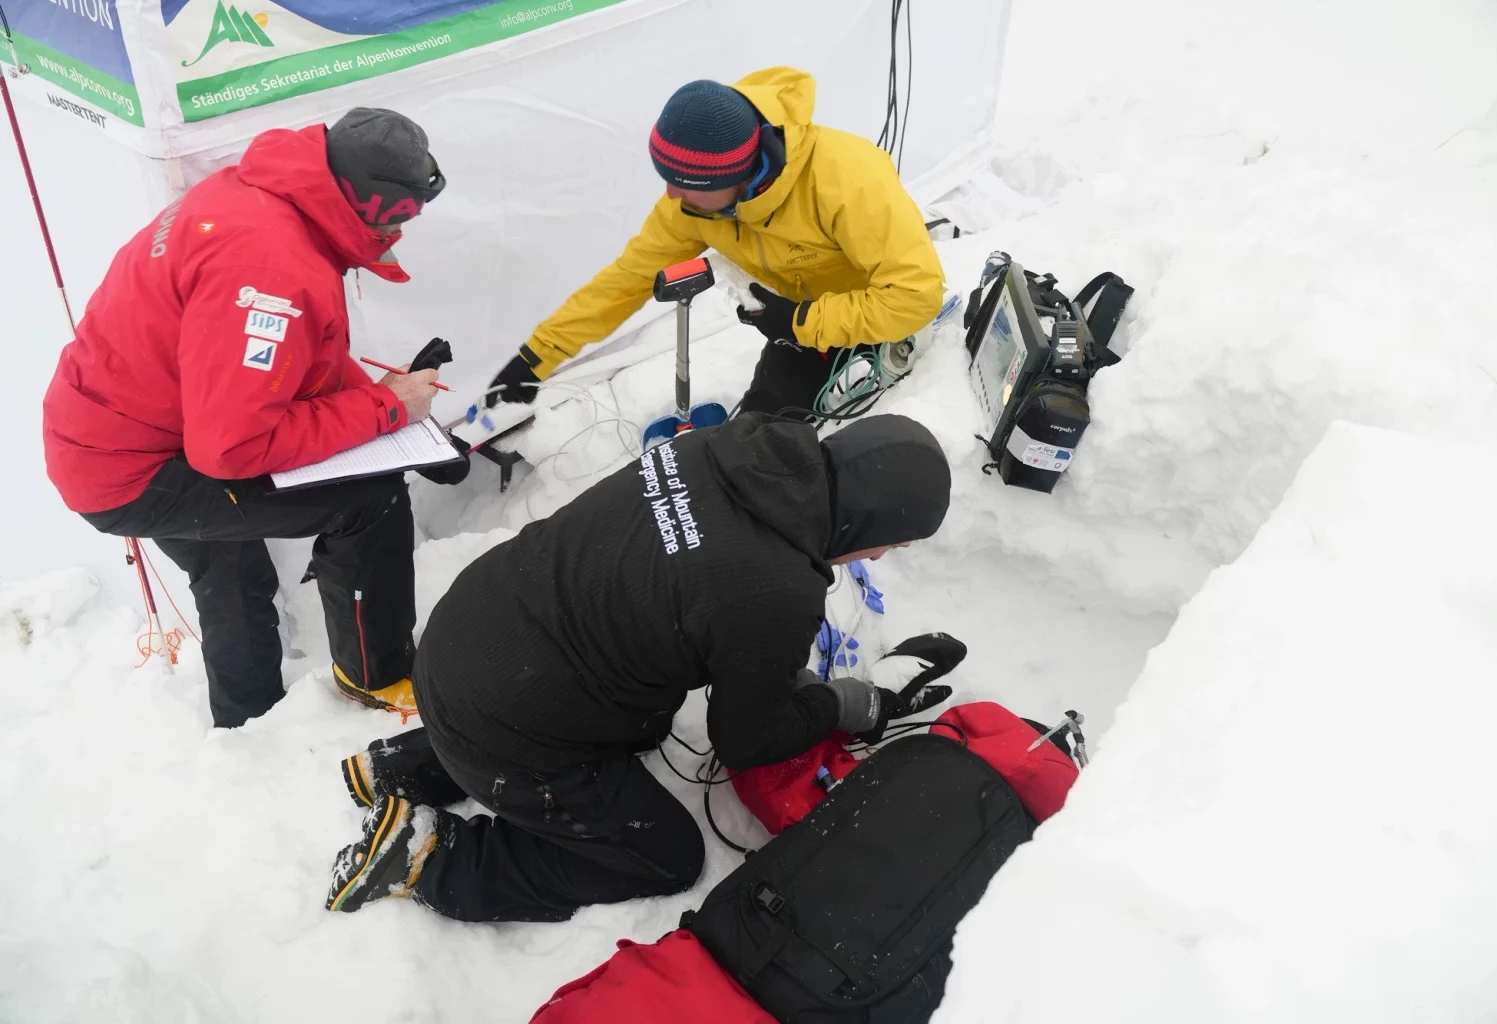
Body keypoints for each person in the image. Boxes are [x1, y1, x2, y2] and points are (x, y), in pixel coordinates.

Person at [324, 413, 964, 919]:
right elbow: (747, 741)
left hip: (469, 634)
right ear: (869, 519)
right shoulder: (777, 588)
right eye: (892, 541)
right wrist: (853, 702)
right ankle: (429, 858)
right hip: (500, 722)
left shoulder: (723, 451)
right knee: (663, 858)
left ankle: (408, 764)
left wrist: (777, 669)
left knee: (649, 720)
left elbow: (700, 590)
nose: (879, 558)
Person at [41, 108, 447, 728]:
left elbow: (288, 365)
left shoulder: (263, 193)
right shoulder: (274, 272)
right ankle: (377, 675)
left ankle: (248, 726)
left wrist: (395, 419)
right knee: (373, 501)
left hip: (101, 435)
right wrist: (387, 408)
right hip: (136, 467)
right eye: (407, 217)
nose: (405, 233)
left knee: (227, 558)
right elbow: (229, 451)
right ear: (379, 207)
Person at [485, 67, 945, 421]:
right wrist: (535, 358)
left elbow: (915, 297)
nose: (670, 196)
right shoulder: (695, 205)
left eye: (683, 184)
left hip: (871, 320)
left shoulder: (849, 179)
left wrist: (802, 321)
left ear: (735, 175)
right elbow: (626, 281)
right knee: (758, 432)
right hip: (800, 325)